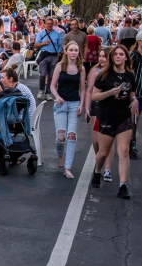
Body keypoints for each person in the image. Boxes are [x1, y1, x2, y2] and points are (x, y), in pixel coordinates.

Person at [92, 45, 137, 199]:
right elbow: (94, 96)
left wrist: (134, 99)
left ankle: (123, 185)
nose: (118, 56)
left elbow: (131, 93)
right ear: (112, 57)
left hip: (124, 116)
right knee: (103, 153)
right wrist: (110, 92)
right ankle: (97, 171)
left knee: (124, 151)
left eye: (121, 54)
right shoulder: (104, 75)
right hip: (106, 116)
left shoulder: (130, 75)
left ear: (126, 57)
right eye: (115, 54)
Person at [50, 41, 86, 179]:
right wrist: (57, 96)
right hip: (61, 104)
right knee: (61, 137)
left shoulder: (81, 68)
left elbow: (82, 89)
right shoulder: (60, 66)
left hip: (74, 103)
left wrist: (82, 104)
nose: (74, 53)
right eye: (71, 50)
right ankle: (60, 155)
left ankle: (67, 168)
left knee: (71, 136)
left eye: (76, 50)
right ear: (66, 51)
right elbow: (53, 85)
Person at [85, 47, 114, 182]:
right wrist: (86, 107)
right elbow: (89, 90)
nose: (101, 59)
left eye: (104, 56)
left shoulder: (114, 72)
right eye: (100, 56)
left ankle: (107, 169)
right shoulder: (94, 71)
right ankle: (100, 162)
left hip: (109, 108)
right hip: (95, 107)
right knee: (96, 141)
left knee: (108, 140)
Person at [35, 17, 63, 101]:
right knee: (42, 74)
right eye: (48, 23)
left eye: (51, 24)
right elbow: (36, 45)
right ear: (45, 24)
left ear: (53, 24)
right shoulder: (41, 33)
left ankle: (48, 93)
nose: (49, 25)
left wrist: (59, 54)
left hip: (54, 56)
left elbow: (60, 45)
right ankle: (41, 90)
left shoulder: (57, 34)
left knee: (51, 76)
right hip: (44, 55)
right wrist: (44, 43)